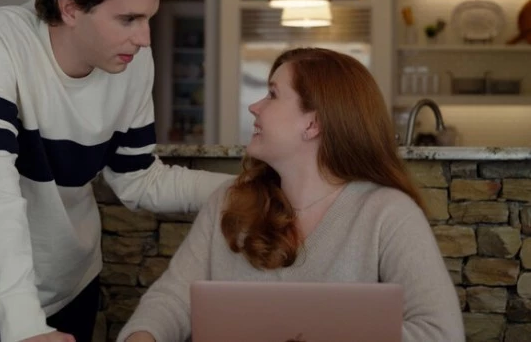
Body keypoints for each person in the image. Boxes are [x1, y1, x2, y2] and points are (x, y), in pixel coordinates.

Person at [0, 0, 234, 342]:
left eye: (148, 18)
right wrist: (23, 325)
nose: (144, 39)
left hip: (76, 273)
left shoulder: (134, 63)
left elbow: (138, 178)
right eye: (128, 19)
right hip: (0, 286)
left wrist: (243, 190)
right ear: (70, 8)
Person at [118, 47, 465, 342]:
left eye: (272, 94)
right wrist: (143, 336)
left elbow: (441, 333)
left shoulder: (389, 215)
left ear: (313, 124)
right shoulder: (228, 201)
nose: (255, 107)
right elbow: (173, 299)